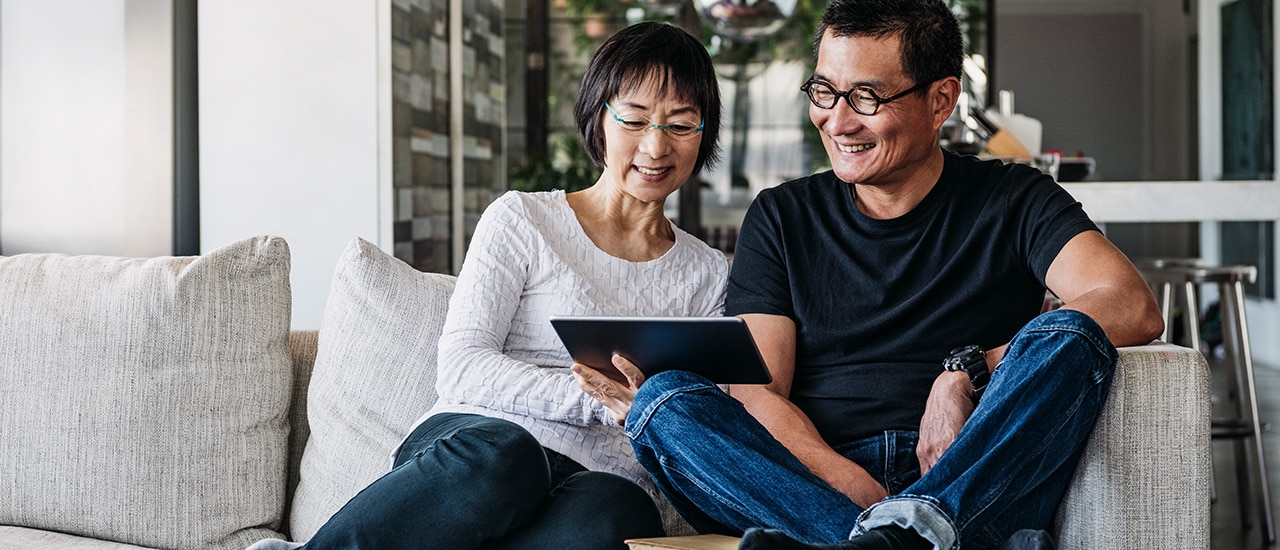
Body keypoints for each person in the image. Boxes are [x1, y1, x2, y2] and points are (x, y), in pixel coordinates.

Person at [572, 1, 1165, 549]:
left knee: (1066, 335)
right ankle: (898, 536)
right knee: (664, 401)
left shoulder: (1013, 197)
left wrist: (968, 370)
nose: (837, 121)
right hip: (818, 478)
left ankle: (889, 531)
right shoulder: (783, 215)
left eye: (867, 98)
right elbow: (760, 390)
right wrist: (848, 483)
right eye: (825, 92)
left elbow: (1130, 305)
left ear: (940, 101)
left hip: (972, 466)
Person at [247, 21, 726, 550]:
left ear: (704, 132)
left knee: (620, 510)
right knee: (509, 456)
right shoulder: (522, 219)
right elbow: (462, 365)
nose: (656, 146)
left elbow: (696, 406)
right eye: (634, 120)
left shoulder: (707, 274)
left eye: (681, 125)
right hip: (477, 452)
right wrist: (596, 399)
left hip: (593, 480)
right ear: (600, 120)